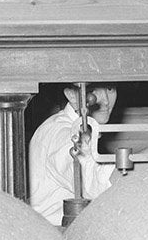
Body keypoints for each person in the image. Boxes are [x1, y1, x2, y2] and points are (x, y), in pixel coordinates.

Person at [28, 84, 119, 225]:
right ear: (71, 95)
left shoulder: (86, 129)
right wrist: (131, 179)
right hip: (55, 236)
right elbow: (89, 177)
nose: (106, 101)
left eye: (110, 89)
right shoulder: (57, 132)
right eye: (93, 91)